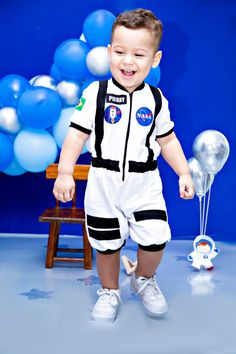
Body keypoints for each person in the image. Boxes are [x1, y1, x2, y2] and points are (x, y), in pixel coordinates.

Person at [53, 8, 194, 322]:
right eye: (120, 52)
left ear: (154, 60)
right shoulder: (96, 93)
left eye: (138, 54)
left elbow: (167, 140)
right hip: (104, 180)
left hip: (144, 184)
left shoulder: (156, 100)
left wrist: (183, 171)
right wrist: (65, 172)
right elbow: (76, 135)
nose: (128, 61)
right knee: (106, 244)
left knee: (156, 237)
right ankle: (109, 291)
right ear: (108, 53)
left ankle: (143, 278)